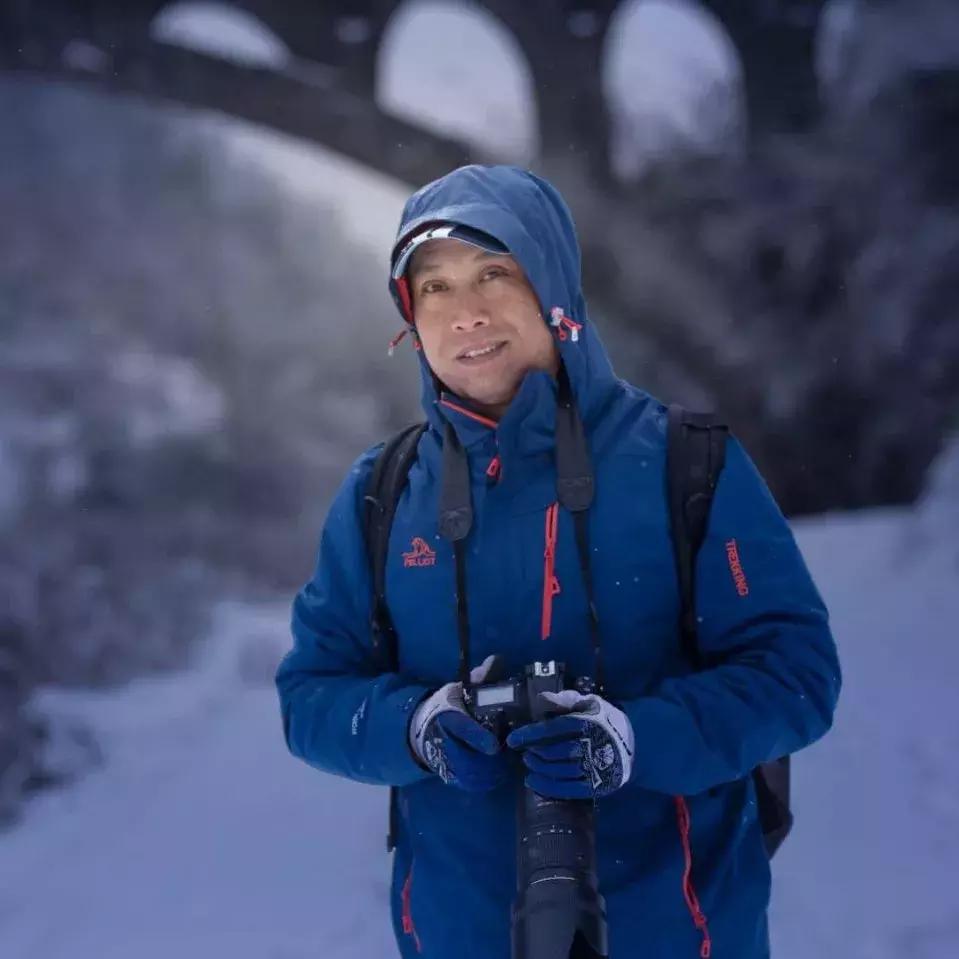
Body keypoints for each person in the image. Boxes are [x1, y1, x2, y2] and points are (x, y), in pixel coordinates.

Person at [275, 164, 842, 958]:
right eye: (433, 287)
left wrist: (635, 739)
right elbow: (310, 695)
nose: (464, 312)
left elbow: (795, 675)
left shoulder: (686, 464)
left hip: (680, 929)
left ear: (553, 290)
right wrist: (418, 727)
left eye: (493, 273)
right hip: (460, 933)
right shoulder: (383, 492)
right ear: (409, 314)